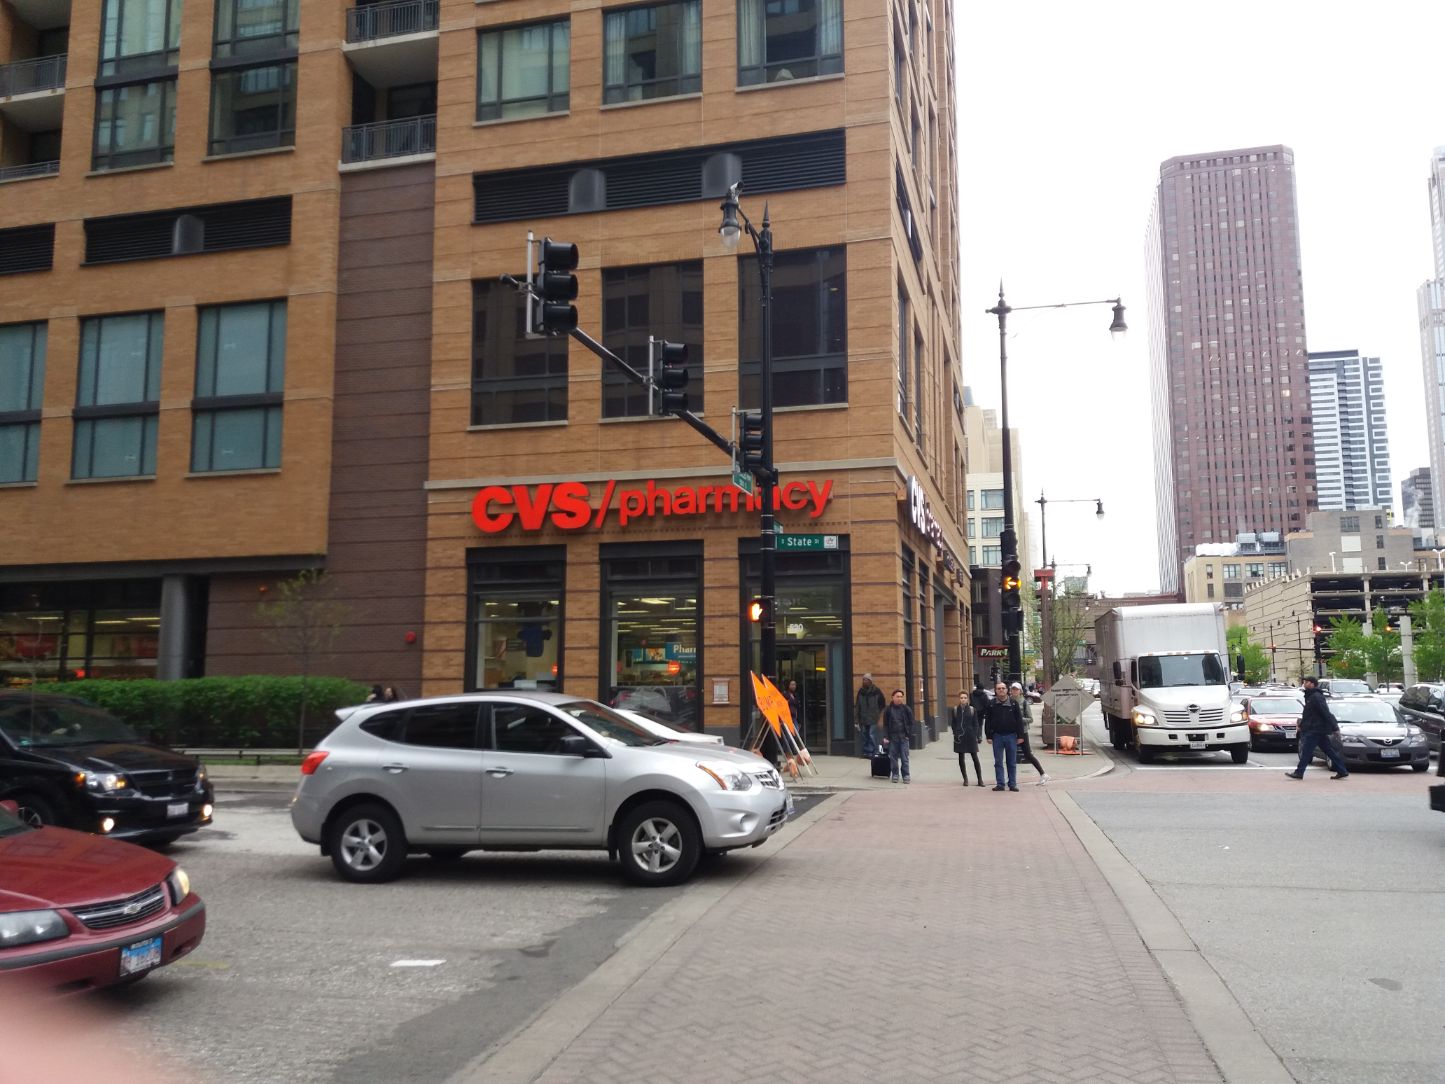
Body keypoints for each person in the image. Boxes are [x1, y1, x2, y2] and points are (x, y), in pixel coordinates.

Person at [1286, 675, 1349, 779]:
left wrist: (1334, 727)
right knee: (1329, 751)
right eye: (1304, 682)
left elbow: (1325, 712)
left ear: (1312, 684)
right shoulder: (1310, 696)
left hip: (1316, 729)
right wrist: (1302, 725)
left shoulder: (1316, 697)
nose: (1304, 684)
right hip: (1316, 729)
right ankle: (1342, 770)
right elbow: (1308, 714)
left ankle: (1299, 772)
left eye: (1306, 682)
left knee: (1306, 751)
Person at [984, 680, 1024, 791]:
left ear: (1007, 690)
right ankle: (1000, 784)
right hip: (997, 736)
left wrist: (1020, 736)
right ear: (996, 691)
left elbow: (1019, 720)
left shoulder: (1013, 703)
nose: (1001, 690)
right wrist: (988, 736)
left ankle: (1012, 784)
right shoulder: (991, 704)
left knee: (1011, 762)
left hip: (1011, 736)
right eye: (999, 688)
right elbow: (988, 720)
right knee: (998, 762)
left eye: (1003, 688)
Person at [1010, 681, 1051, 785]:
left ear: (1020, 691)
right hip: (1010, 732)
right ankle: (1011, 779)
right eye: (1013, 689)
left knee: (1028, 754)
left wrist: (1019, 719)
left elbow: (1030, 719)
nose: (1014, 691)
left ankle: (1043, 774)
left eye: (1016, 689)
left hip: (1022, 732)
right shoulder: (1008, 701)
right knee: (1010, 755)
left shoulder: (1024, 702)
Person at [950, 690, 984, 786]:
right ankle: (965, 779)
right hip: (959, 737)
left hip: (970, 736)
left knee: (975, 757)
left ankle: (980, 779)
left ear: (968, 699)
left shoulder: (972, 710)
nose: (963, 699)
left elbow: (976, 723)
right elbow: (953, 723)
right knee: (961, 758)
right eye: (961, 698)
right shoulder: (955, 710)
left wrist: (975, 734)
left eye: (965, 698)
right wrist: (955, 733)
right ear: (959, 699)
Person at [881, 689, 915, 783]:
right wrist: (886, 736)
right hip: (892, 737)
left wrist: (908, 734)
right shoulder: (888, 710)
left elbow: (911, 723)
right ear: (893, 697)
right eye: (897, 696)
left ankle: (906, 775)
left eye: (901, 697)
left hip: (903, 737)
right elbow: (885, 724)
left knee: (905, 758)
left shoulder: (906, 709)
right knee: (893, 758)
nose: (899, 698)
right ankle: (895, 774)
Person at [855, 674, 885, 759]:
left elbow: (882, 704)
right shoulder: (861, 692)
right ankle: (866, 752)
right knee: (865, 735)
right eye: (863, 680)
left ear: (870, 681)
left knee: (872, 735)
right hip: (863, 717)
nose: (864, 681)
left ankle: (872, 752)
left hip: (873, 718)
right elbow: (857, 706)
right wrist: (856, 719)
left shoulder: (876, 691)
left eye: (866, 680)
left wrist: (879, 715)